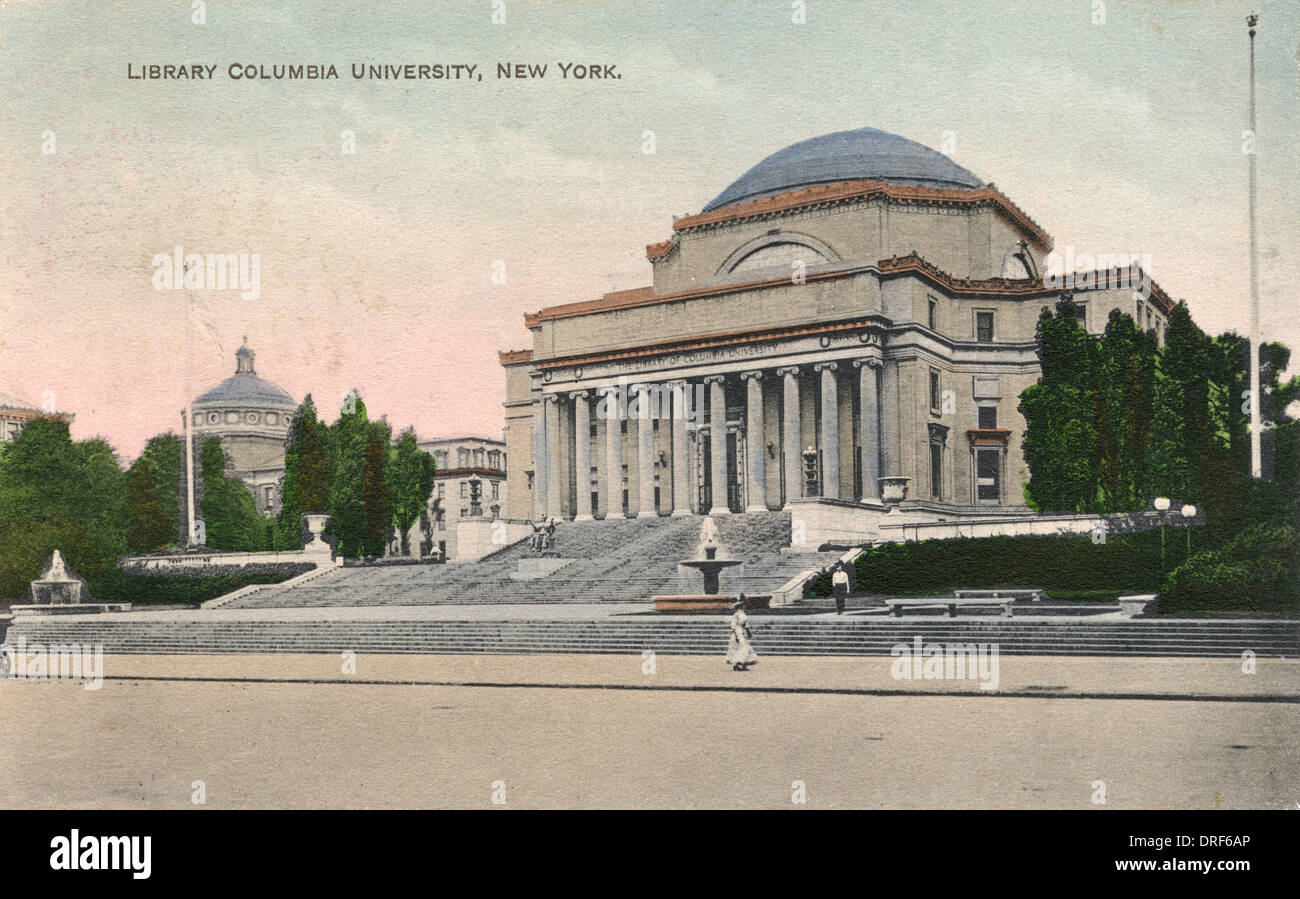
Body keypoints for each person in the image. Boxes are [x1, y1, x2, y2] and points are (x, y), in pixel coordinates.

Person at [725, 598, 758, 671]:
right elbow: (733, 625)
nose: (744, 606)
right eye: (742, 605)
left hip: (742, 632)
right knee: (742, 648)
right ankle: (737, 664)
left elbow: (746, 624)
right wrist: (737, 635)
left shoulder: (742, 614)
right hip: (738, 632)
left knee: (745, 648)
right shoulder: (736, 614)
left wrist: (748, 631)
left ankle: (743, 664)